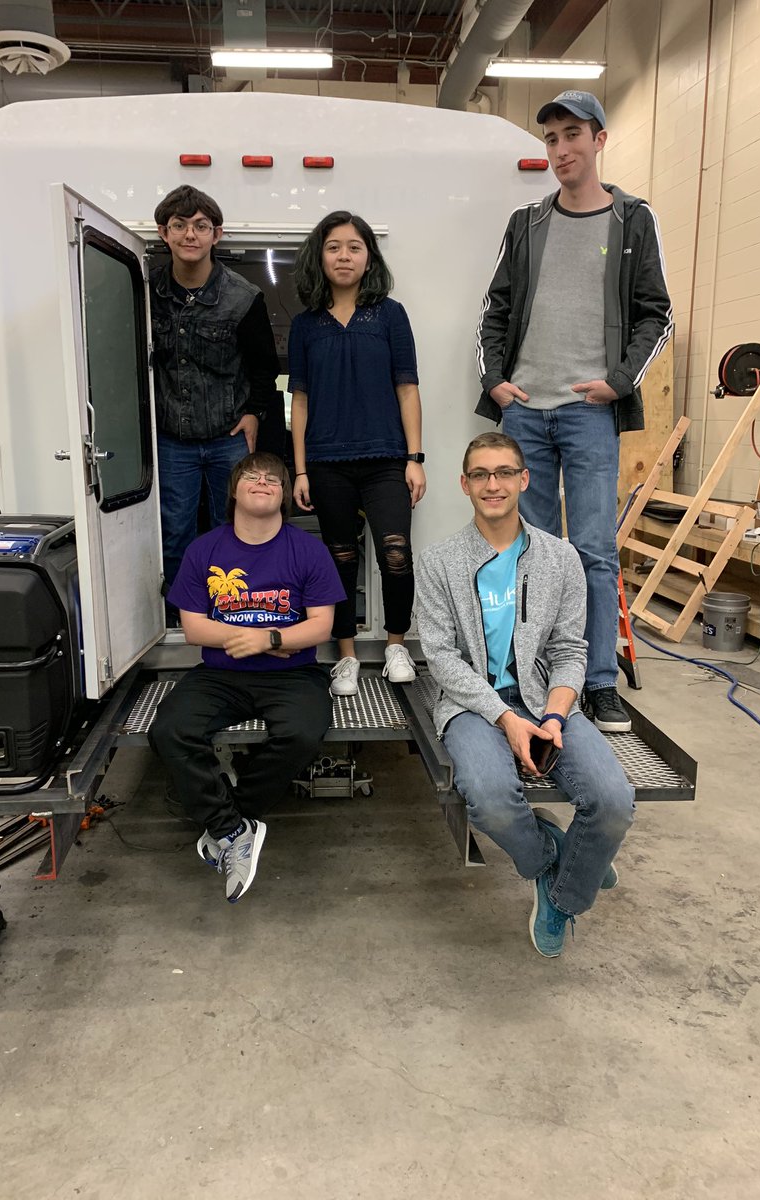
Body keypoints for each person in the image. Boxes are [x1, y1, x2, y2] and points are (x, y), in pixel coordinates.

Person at [474, 90, 673, 733]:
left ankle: (598, 682)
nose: (560, 149)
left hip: (589, 413)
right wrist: (497, 380)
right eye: (552, 138)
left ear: (599, 140)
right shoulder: (526, 223)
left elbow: (655, 314)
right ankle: (527, 676)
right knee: (521, 550)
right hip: (525, 411)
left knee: (591, 550)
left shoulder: (633, 220)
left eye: (571, 136)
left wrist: (618, 383)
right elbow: (495, 309)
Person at [416, 432, 635, 958]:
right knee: (489, 800)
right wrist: (503, 718)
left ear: (524, 480)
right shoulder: (438, 562)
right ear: (465, 485)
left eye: (504, 473)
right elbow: (441, 658)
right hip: (471, 704)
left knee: (611, 802)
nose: (494, 484)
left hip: (545, 697)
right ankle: (546, 857)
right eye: (481, 475)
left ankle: (562, 896)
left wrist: (556, 716)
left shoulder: (561, 559)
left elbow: (569, 650)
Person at [148, 451, 345, 903]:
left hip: (292, 673)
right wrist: (249, 637)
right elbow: (194, 627)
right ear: (233, 490)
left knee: (302, 734)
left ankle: (231, 819)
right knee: (169, 730)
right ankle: (232, 828)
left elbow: (321, 626)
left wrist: (268, 641)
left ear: (283, 495)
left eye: (273, 479)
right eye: (251, 476)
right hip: (221, 675)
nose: (262, 482)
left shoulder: (307, 550)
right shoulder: (205, 549)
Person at [288, 211, 426, 697]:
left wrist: (416, 457)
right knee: (339, 558)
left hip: (386, 457)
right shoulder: (306, 325)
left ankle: (395, 645)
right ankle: (345, 656)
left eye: (354, 247)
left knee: (396, 552)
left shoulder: (390, 315)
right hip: (327, 462)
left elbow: (407, 388)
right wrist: (300, 469)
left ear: (369, 257)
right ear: (319, 256)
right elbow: (299, 399)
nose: (344, 256)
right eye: (333, 247)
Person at [151, 185, 281, 621]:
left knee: (236, 527)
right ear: (163, 233)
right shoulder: (145, 291)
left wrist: (253, 414)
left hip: (228, 435)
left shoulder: (243, 298)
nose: (191, 234)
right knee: (174, 532)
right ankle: (182, 617)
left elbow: (265, 366)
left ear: (217, 235)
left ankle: (235, 610)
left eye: (201, 226)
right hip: (171, 439)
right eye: (180, 225)